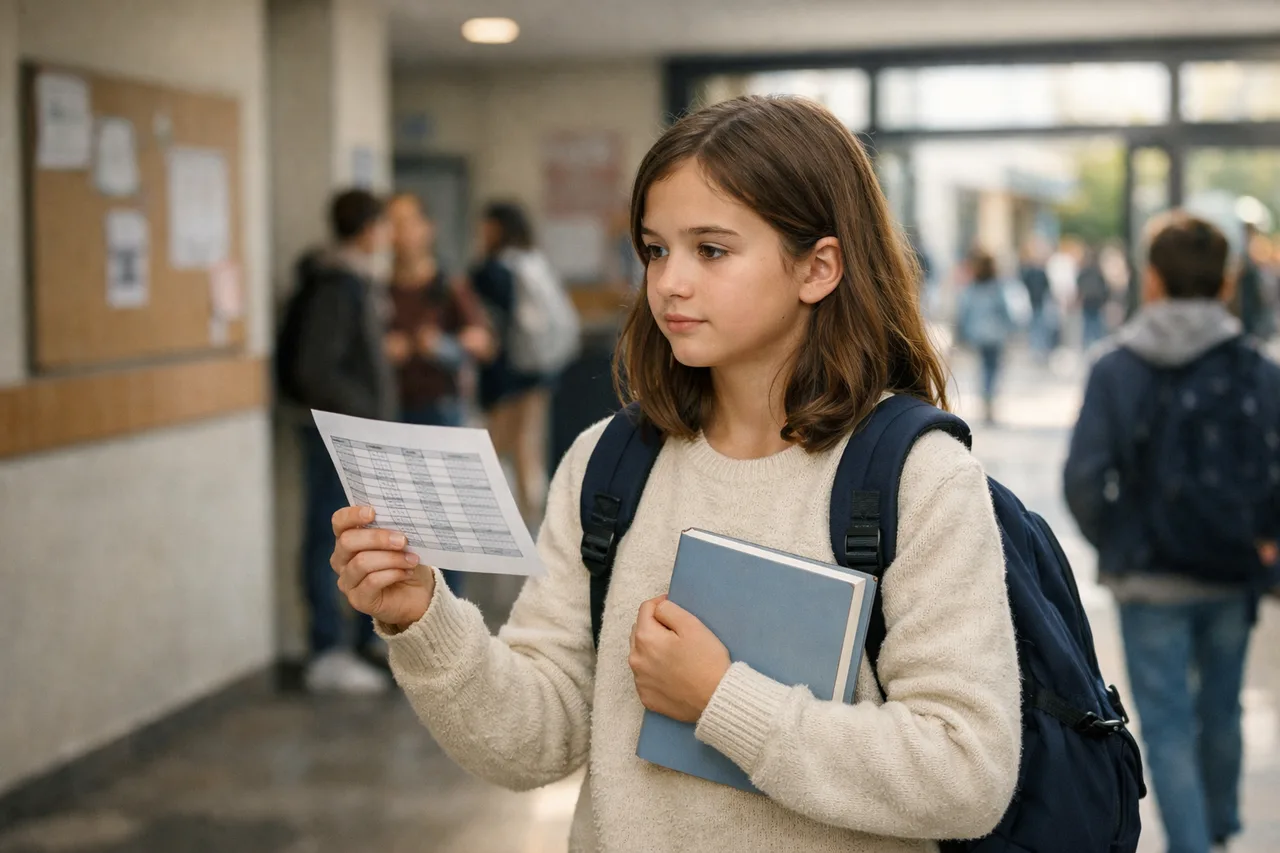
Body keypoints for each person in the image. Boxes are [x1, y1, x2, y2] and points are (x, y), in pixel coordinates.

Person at [329, 96, 1020, 852]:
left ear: (818, 267)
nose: (669, 283)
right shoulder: (608, 462)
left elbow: (967, 774)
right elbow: (535, 742)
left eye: (711, 250)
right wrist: (422, 617)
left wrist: (722, 699)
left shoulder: (917, 476)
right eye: (656, 250)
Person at [1064, 212, 1280, 853]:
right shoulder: (1257, 368)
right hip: (1231, 568)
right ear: (1226, 283)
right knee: (1223, 709)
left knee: (1166, 726)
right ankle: (1216, 829)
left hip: (1147, 578)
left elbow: (1083, 480)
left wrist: (1118, 541)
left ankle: (1193, 842)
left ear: (1151, 280)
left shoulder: (1115, 368)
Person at [277, 188, 396, 693]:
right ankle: (326, 650)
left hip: (352, 432)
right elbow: (315, 369)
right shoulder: (336, 285)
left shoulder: (355, 280)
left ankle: (361, 639)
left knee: (359, 536)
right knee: (328, 537)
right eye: (384, 225)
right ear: (369, 229)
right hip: (336, 434)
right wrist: (364, 409)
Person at [385, 192, 495, 595]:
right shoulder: (379, 290)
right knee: (394, 527)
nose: (400, 233)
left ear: (427, 228)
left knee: (444, 522)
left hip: (440, 412)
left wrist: (445, 344)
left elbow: (484, 343)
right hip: (389, 415)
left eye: (407, 221)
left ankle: (450, 607)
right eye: (392, 223)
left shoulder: (447, 285)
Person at [470, 201, 573, 521]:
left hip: (505, 377)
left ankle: (500, 522)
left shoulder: (493, 270)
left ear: (495, 228)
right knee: (529, 450)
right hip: (539, 370)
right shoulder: (533, 262)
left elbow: (491, 326)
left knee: (494, 452)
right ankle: (536, 522)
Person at [955, 248, 1016, 425]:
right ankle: (989, 397)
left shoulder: (972, 287)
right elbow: (1006, 309)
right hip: (996, 334)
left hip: (978, 334)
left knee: (984, 368)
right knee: (993, 369)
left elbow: (964, 311)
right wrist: (1011, 329)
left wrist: (962, 333)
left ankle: (985, 397)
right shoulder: (998, 287)